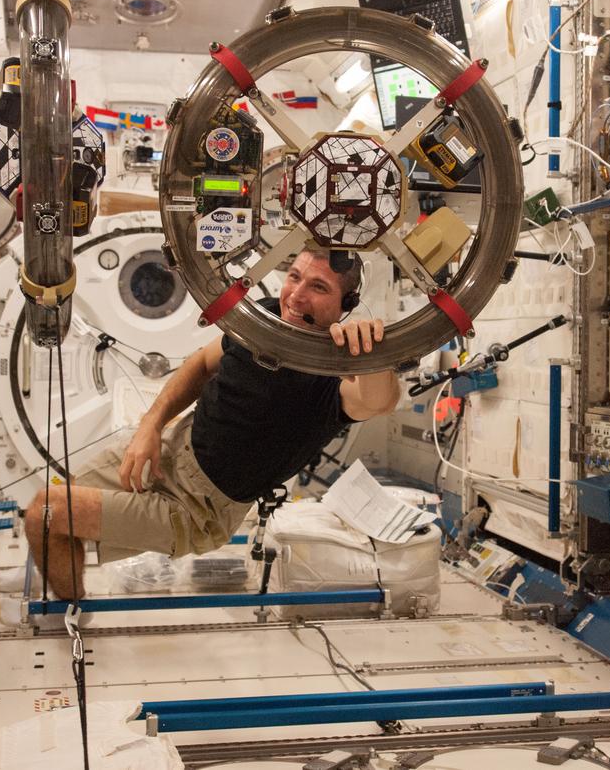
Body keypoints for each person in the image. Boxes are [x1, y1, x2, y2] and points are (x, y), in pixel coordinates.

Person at [23, 249, 402, 599]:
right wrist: (150, 426)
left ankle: (71, 613)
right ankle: (62, 586)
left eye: (318, 287)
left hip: (198, 508)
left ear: (345, 305)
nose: (296, 295)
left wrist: (373, 357)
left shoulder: (334, 375)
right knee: (56, 515)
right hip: (170, 451)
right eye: (294, 276)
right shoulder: (266, 318)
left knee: (46, 512)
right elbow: (202, 364)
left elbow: (377, 400)